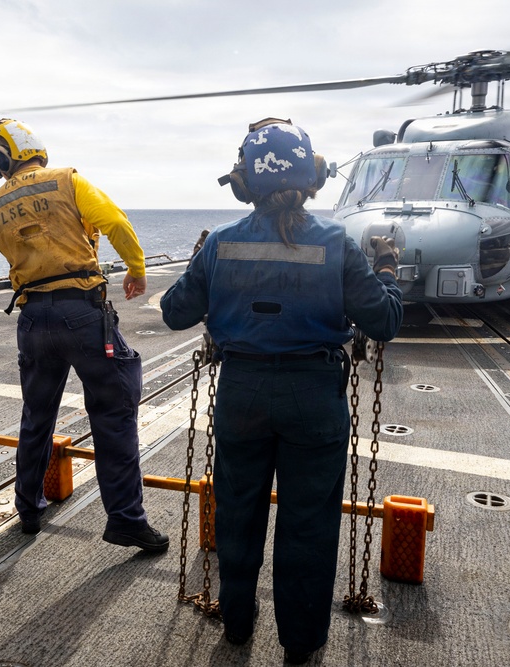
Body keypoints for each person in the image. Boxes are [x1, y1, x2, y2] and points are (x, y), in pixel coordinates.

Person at [160, 119, 404, 664]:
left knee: (238, 512)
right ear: (313, 177)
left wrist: (199, 258)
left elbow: (175, 312)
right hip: (313, 396)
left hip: (242, 393)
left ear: (246, 182)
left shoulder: (222, 243)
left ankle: (238, 627)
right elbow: (385, 320)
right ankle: (300, 643)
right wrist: (388, 267)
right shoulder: (337, 242)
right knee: (309, 523)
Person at [0, 119, 168, 552]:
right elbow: (115, 222)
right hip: (83, 313)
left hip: (33, 319)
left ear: (0, 161)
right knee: (113, 413)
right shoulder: (67, 181)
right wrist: (137, 268)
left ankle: (29, 508)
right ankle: (126, 519)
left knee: (36, 417)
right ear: (35, 148)